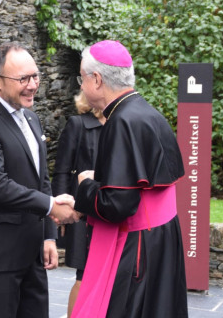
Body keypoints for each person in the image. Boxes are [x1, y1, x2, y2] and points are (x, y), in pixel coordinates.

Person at [70, 40, 188, 318]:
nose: (81, 86)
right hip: (161, 239)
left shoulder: (121, 121)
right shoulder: (148, 112)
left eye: (82, 79)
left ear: (96, 80)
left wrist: (86, 185)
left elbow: (118, 204)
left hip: (137, 249)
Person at [0, 42, 78, 318]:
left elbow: (41, 180)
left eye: (35, 76)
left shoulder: (31, 118)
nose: (32, 85)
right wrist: (50, 206)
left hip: (31, 252)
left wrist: (49, 236)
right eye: (23, 78)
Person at [51, 92, 104, 317]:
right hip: (83, 209)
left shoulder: (122, 123)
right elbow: (62, 170)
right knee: (84, 276)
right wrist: (61, 211)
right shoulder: (78, 124)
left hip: (111, 208)